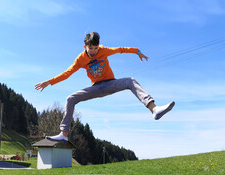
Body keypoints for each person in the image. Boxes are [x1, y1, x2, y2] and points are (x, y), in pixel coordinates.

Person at [35, 32, 175, 141]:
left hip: (110, 84)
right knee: (70, 98)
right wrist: (49, 82)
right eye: (91, 48)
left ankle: (154, 109)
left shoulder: (103, 50)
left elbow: (120, 49)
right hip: (95, 87)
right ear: (85, 47)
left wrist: (137, 51)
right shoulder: (80, 59)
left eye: (96, 48)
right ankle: (64, 134)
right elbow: (67, 73)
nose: (94, 51)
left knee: (130, 81)